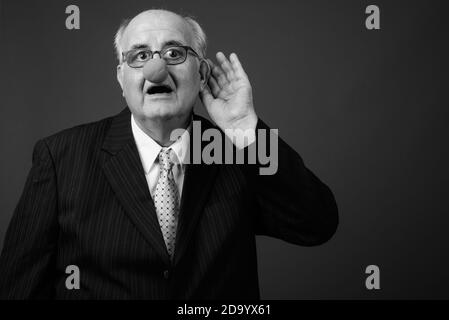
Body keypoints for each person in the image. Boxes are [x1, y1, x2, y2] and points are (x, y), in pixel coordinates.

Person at [0, 9, 338, 299]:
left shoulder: (238, 151)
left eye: (174, 53)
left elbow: (316, 224)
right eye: (140, 55)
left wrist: (244, 129)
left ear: (202, 73)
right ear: (122, 77)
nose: (156, 68)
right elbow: (19, 287)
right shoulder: (60, 157)